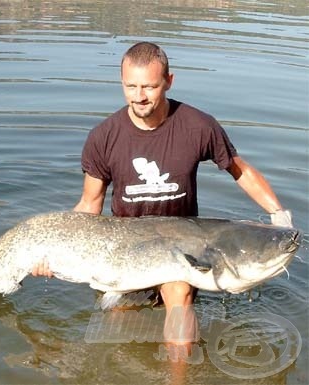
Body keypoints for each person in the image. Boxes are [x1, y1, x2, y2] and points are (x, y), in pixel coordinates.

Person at [32, 42, 293, 345]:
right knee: (118, 324)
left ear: (169, 81)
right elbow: (90, 204)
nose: (139, 96)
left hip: (181, 248)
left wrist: (278, 214)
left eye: (149, 86)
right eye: (131, 86)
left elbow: (240, 171)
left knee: (179, 298)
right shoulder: (103, 136)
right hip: (125, 250)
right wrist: (50, 251)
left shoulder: (197, 125)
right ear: (122, 83)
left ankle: (178, 377)